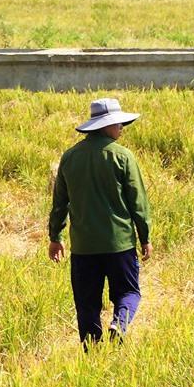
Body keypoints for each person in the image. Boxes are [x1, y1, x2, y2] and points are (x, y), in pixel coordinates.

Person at [48, 97, 152, 344]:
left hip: (84, 248)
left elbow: (59, 203)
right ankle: (119, 323)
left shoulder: (70, 157)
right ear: (106, 126)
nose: (121, 128)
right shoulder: (123, 157)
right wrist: (145, 238)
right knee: (128, 292)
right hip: (120, 245)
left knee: (87, 305)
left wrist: (55, 237)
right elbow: (138, 202)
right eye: (118, 124)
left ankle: (92, 354)